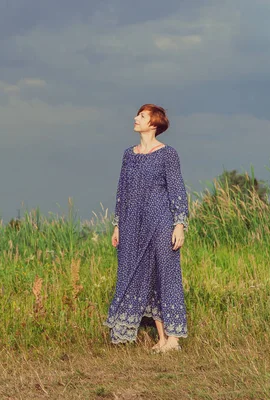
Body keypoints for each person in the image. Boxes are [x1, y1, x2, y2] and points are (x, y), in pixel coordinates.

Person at [104, 104, 189, 353]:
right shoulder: (128, 155)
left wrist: (179, 224)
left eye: (141, 116)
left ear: (153, 123)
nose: (135, 118)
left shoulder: (168, 154)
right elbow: (122, 192)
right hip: (132, 224)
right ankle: (162, 339)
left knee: (167, 276)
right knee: (142, 277)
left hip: (161, 221)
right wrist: (118, 225)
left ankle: (173, 339)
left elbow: (177, 190)